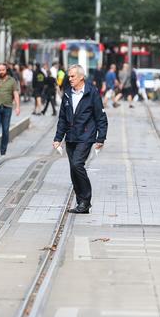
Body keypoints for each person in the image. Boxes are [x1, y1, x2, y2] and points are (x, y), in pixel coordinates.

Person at [53, 65, 108, 214]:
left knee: (77, 165)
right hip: (71, 136)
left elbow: (100, 117)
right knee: (73, 169)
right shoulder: (67, 94)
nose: (69, 79)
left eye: (72, 76)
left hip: (86, 136)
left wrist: (100, 138)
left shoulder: (92, 93)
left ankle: (86, 199)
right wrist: (58, 138)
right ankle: (81, 203)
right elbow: (62, 118)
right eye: (69, 76)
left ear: (81, 77)